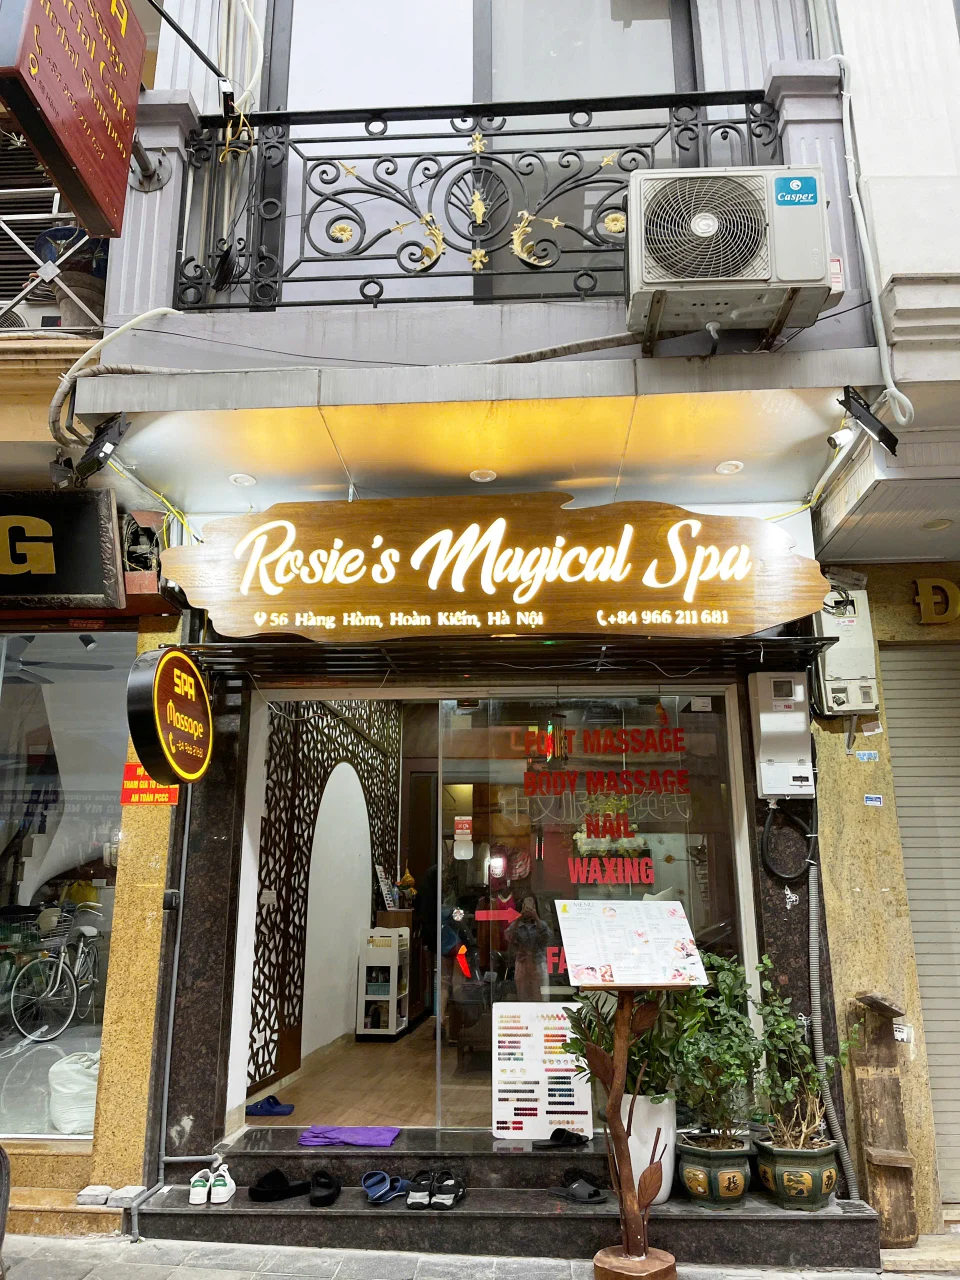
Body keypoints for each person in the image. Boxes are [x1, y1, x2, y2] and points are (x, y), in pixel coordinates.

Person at [506, 896, 551, 1002]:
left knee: (540, 993)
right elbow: (510, 939)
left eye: (531, 906)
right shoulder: (516, 925)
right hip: (522, 962)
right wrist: (519, 918)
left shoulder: (542, 924)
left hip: (538, 962)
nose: (528, 910)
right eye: (526, 906)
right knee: (522, 992)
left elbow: (547, 938)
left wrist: (536, 918)